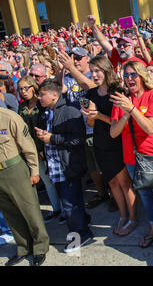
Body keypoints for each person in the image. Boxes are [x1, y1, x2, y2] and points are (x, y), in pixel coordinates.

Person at [110, 60, 153, 250]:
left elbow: (150, 127)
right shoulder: (122, 100)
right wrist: (127, 112)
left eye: (133, 75)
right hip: (132, 158)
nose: (129, 79)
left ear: (142, 76)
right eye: (126, 75)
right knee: (144, 195)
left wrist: (132, 109)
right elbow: (113, 132)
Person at [79, 55, 138, 236]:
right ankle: (122, 215)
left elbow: (121, 121)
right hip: (99, 142)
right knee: (112, 182)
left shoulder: (118, 91)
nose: (94, 74)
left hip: (117, 142)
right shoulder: (91, 94)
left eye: (98, 70)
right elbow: (90, 124)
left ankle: (133, 218)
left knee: (125, 182)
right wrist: (91, 116)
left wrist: (98, 116)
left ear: (106, 70)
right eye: (92, 70)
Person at [36, 79, 93, 254]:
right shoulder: (47, 112)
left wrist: (51, 138)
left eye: (42, 94)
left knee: (70, 205)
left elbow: (77, 139)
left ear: (54, 94)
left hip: (68, 167)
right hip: (56, 166)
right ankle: (83, 225)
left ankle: (80, 236)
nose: (39, 98)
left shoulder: (69, 111)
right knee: (72, 203)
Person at [57, 47, 111, 211]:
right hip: (80, 130)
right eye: (72, 58)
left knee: (105, 166)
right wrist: (61, 70)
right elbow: (59, 91)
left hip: (98, 128)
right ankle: (101, 193)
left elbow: (90, 87)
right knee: (92, 167)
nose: (75, 61)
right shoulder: (68, 77)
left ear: (87, 58)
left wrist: (71, 68)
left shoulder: (93, 74)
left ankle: (114, 196)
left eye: (79, 57)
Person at [0, 107, 49, 266]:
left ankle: (40, 247)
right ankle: (23, 247)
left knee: (29, 209)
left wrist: (34, 170)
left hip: (14, 169)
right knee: (10, 213)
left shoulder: (9, 117)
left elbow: (27, 145)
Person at [17, 75, 66, 225]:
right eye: (20, 89)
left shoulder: (42, 104)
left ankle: (65, 210)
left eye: (26, 88)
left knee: (58, 179)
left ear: (34, 87)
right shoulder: (22, 107)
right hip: (31, 149)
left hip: (47, 146)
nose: (23, 91)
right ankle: (56, 208)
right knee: (46, 181)